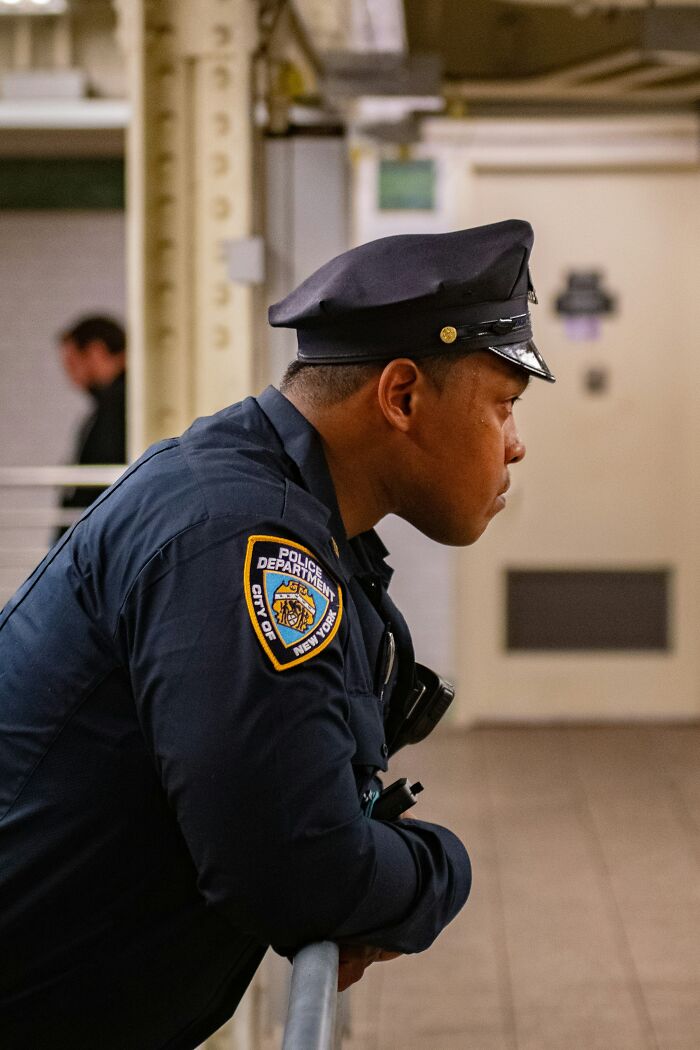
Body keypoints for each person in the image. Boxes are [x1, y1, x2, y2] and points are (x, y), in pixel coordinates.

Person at [0, 219, 554, 1050]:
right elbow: (302, 874)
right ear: (401, 396)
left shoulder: (276, 503)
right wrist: (446, 868)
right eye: (503, 405)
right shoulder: (241, 538)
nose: (516, 444)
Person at [54, 315, 127, 541]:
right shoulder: (118, 402)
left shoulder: (117, 405)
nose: (71, 377)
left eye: (72, 363)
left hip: (99, 533)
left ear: (96, 352)